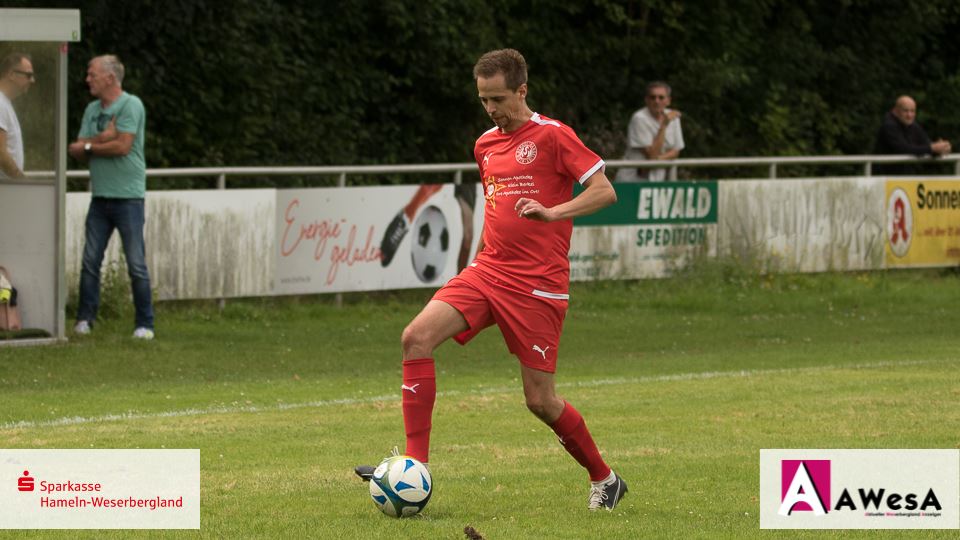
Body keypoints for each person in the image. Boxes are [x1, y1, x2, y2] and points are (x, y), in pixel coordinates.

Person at [355, 48, 627, 511]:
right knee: (415, 337)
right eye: (483, 100)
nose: (491, 109)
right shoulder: (484, 144)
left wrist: (553, 211)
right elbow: (495, 207)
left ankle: (605, 478)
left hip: (538, 286)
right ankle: (414, 469)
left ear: (522, 91)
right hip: (489, 272)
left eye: (498, 99)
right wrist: (477, 261)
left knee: (540, 401)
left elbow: (605, 191)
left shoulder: (554, 136)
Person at [68, 55, 154, 340]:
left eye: (92, 74)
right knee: (90, 260)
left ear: (110, 78)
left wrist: (93, 144)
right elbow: (75, 149)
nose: (87, 79)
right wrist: (104, 137)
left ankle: (145, 324)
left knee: (136, 263)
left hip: (128, 198)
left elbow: (123, 146)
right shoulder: (92, 109)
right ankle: (85, 319)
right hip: (100, 197)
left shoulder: (132, 105)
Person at [615, 81, 684, 182]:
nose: (656, 101)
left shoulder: (673, 117)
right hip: (633, 180)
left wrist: (657, 160)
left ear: (668, 101)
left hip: (658, 181)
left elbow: (675, 152)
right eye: (653, 97)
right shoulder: (639, 118)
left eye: (661, 97)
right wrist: (664, 125)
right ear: (646, 100)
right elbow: (652, 155)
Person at [874, 95, 952, 175]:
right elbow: (903, 149)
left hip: (906, 178)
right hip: (885, 178)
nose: (909, 115)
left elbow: (926, 145)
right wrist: (932, 148)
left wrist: (941, 148)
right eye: (905, 111)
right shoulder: (889, 126)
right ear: (895, 111)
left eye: (912, 111)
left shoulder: (913, 126)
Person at [0, 53, 34, 180]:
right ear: (11, 74)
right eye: (28, 75)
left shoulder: (4, 103)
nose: (32, 80)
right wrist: (22, 181)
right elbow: (1, 154)